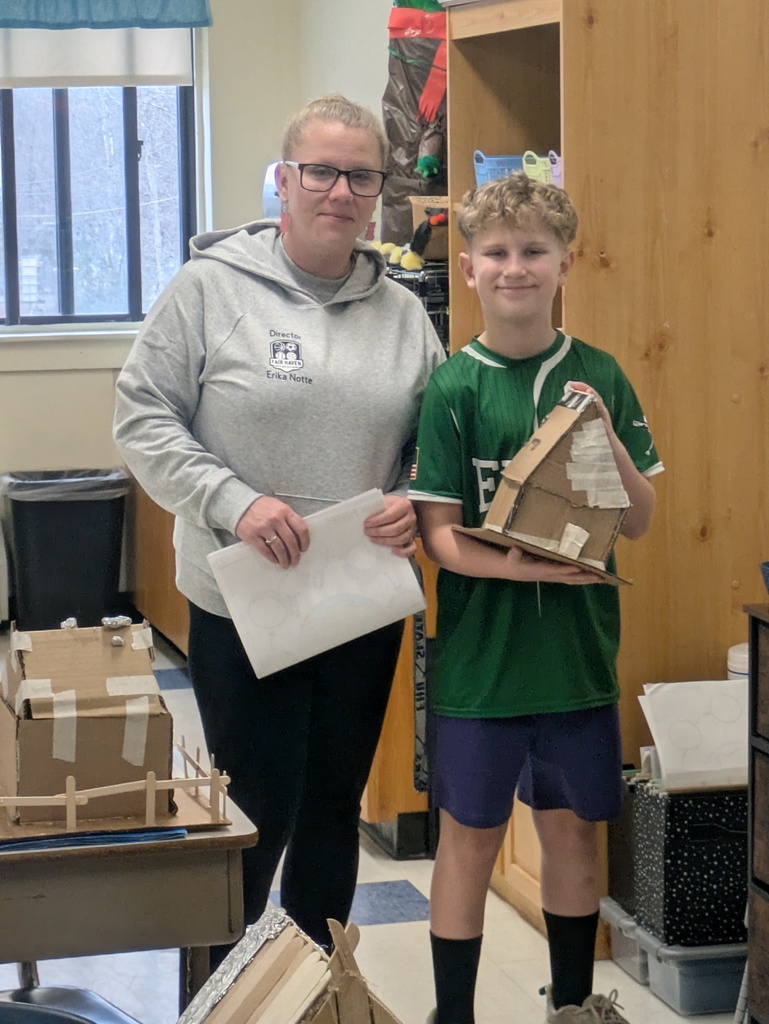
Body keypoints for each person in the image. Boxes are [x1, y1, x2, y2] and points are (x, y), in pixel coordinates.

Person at [113, 93, 445, 957]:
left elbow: (431, 441)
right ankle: (220, 997)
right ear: (285, 179)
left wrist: (413, 493)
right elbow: (142, 417)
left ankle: (315, 997)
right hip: (244, 601)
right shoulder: (207, 290)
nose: (339, 191)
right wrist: (233, 500)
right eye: (321, 171)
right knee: (250, 815)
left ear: (378, 189)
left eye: (359, 175)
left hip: (355, 600)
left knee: (332, 811)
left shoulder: (405, 315)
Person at [407, 172, 663, 1024]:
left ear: (565, 263)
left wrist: (607, 440)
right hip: (480, 666)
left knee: (569, 835)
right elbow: (441, 538)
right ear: (470, 271)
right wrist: (528, 570)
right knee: (467, 841)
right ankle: (453, 1016)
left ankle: (574, 1008)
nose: (515, 268)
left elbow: (639, 523)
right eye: (496, 253)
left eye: (533, 252)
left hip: (577, 661)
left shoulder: (598, 373)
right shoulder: (452, 387)